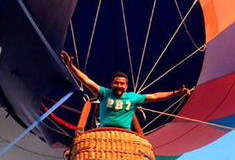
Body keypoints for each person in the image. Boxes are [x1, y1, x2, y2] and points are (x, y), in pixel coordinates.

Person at [60, 51, 191, 131]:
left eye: (122, 84)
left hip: (124, 136)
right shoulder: (105, 93)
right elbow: (87, 81)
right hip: (104, 133)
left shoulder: (133, 98)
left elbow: (155, 97)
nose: (119, 86)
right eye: (116, 83)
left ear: (126, 86)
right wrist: (71, 67)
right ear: (112, 84)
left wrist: (175, 93)